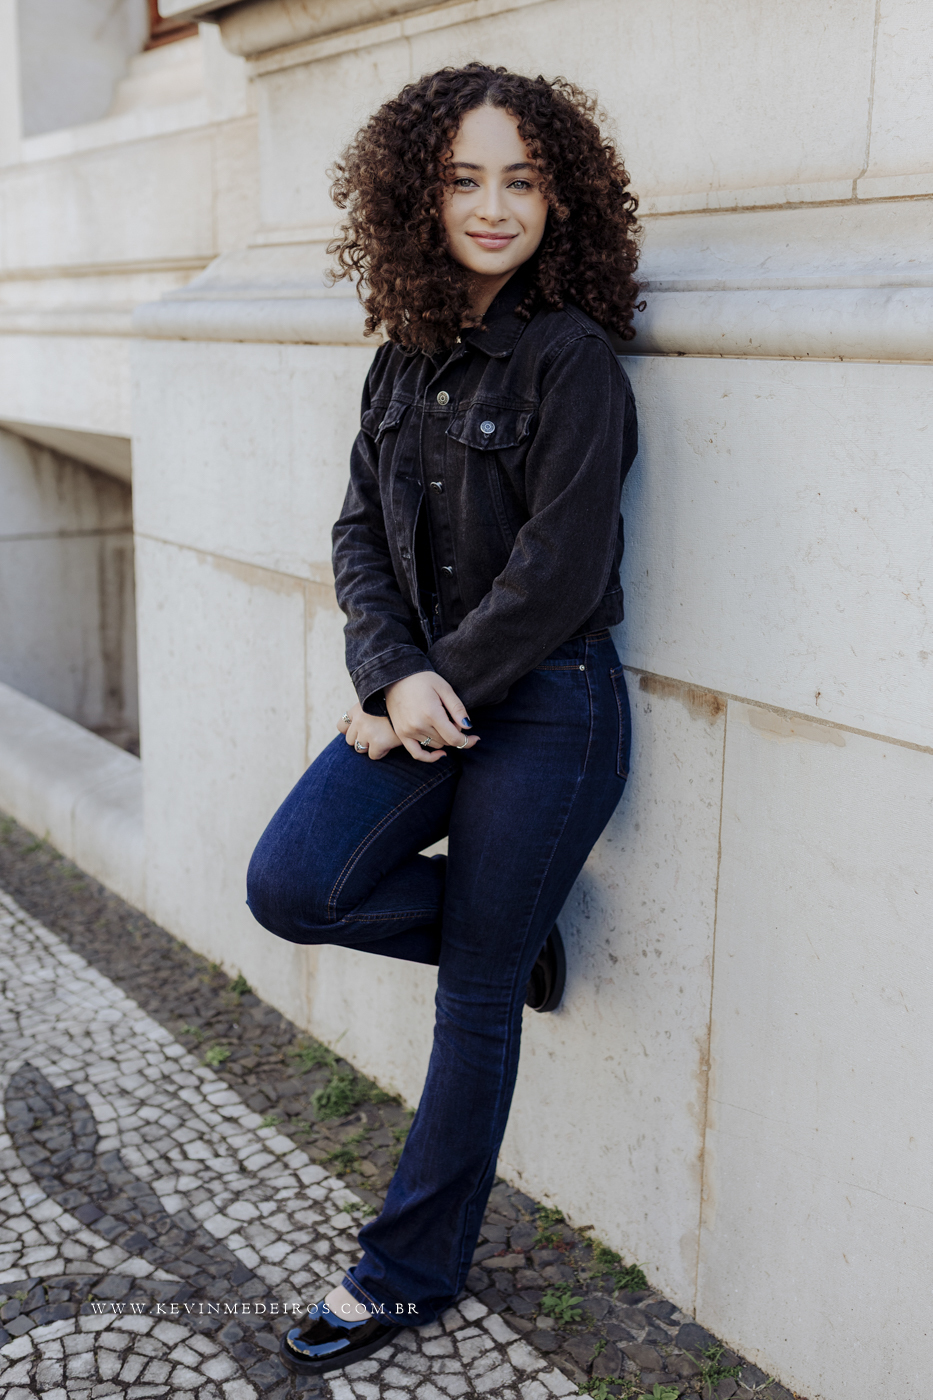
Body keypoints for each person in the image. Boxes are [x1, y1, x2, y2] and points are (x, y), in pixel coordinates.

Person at [246, 61, 641, 1377]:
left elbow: (562, 570)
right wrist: (388, 677)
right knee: (293, 884)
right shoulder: (401, 358)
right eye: (465, 178)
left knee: (467, 999)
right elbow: (358, 533)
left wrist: (437, 684)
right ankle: (513, 937)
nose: (492, 205)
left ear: (559, 199)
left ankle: (403, 1275)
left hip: (551, 710)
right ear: (419, 194)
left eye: (520, 180)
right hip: (427, 697)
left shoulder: (571, 360)